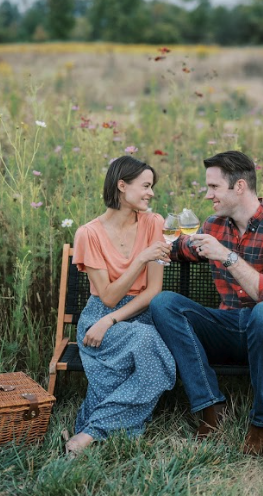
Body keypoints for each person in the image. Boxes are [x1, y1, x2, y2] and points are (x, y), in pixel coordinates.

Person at [150, 151, 263, 456]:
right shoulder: (214, 226)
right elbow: (177, 246)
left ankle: (262, 422)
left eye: (214, 187)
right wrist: (140, 237)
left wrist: (226, 256)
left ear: (239, 186)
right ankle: (211, 407)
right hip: (231, 327)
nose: (208, 194)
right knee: (164, 304)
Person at [65, 156, 176, 455]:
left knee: (149, 346)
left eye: (152, 186)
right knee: (154, 352)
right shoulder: (88, 234)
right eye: (146, 186)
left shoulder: (155, 223)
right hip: (98, 317)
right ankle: (117, 427)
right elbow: (109, 297)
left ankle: (89, 433)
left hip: (137, 316)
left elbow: (153, 291)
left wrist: (112, 321)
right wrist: (141, 258)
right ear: (122, 185)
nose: (151, 193)